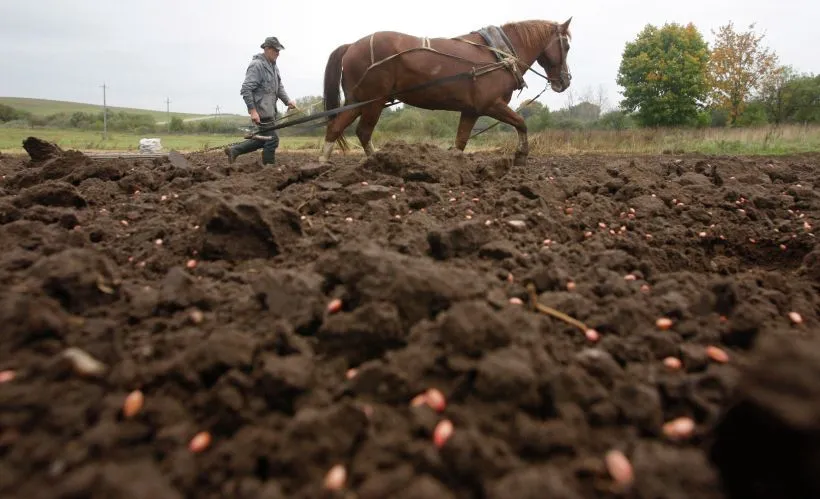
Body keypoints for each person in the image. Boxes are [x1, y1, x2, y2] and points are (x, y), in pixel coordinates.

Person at [225, 36, 297, 165]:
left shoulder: (274, 67)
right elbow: (246, 89)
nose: (278, 54)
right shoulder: (257, 66)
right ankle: (269, 169)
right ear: (267, 49)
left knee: (262, 140)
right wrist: (253, 111)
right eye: (276, 50)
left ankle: (234, 150)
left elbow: (279, 87)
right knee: (272, 139)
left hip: (270, 111)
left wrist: (288, 101)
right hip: (261, 112)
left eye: (279, 51)